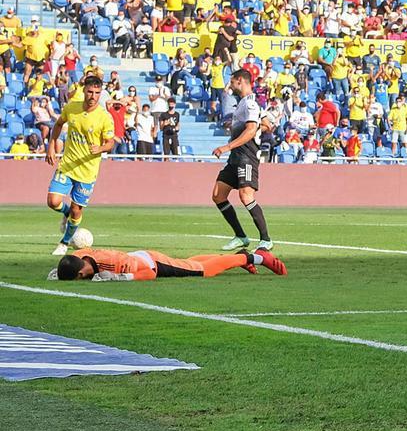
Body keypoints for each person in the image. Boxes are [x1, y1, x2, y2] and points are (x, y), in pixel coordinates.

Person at [45, 76, 115, 256]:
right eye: (90, 92)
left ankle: (64, 243)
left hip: (87, 171)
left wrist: (99, 148)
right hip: (67, 165)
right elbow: (59, 124)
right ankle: (66, 213)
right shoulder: (72, 108)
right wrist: (51, 146)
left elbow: (110, 143)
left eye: (97, 93)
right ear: (84, 90)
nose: (93, 96)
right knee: (53, 201)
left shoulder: (104, 117)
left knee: (77, 210)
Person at [212, 69, 272, 252]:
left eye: (232, 81)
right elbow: (268, 125)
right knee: (218, 195)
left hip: (246, 156)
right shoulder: (244, 104)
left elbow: (252, 129)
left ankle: (265, 239)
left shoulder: (251, 103)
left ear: (240, 81)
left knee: (246, 195)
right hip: (236, 157)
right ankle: (241, 236)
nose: (230, 85)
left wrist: (227, 146)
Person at [53, 246, 286, 280]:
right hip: (142, 254)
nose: (84, 278)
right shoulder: (83, 254)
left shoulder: (113, 265)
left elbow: (150, 273)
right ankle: (240, 257)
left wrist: (126, 278)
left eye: (82, 277)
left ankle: (255, 256)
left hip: (151, 264)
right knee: (188, 263)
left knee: (203, 271)